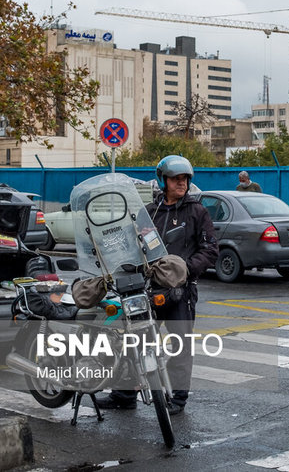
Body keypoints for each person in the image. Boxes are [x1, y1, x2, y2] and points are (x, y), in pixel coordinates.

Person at [96, 155, 219, 415]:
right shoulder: (148, 213)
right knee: (134, 340)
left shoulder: (197, 211)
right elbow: (133, 247)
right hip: (149, 290)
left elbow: (210, 250)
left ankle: (178, 397)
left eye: (185, 178)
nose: (181, 183)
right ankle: (124, 394)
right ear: (163, 181)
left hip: (180, 290)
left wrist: (186, 270)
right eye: (176, 178)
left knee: (179, 344)